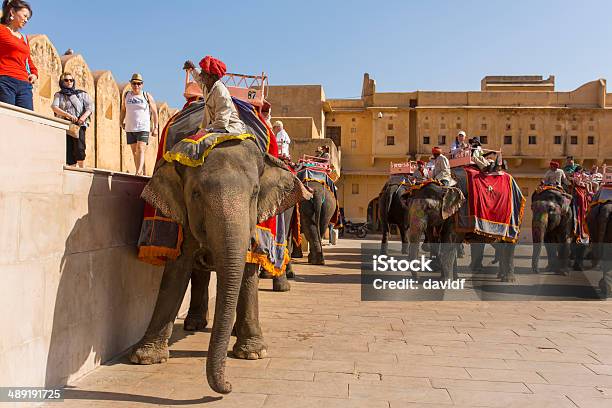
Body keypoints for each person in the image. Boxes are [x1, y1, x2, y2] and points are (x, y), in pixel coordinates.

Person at [184, 56, 246, 134]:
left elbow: (222, 122)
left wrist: (205, 130)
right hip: (216, 126)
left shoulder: (221, 92)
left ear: (211, 77)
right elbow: (198, 78)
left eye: (203, 73)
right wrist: (193, 68)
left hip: (228, 127)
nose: (200, 75)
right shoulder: (206, 86)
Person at [0, 0, 37, 110]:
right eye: (25, 16)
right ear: (12, 12)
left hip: (24, 84)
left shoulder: (24, 38)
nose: (26, 20)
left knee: (27, 120)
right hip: (5, 81)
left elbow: (27, 59)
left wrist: (34, 73)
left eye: (28, 18)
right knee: (7, 118)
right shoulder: (1, 30)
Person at [51, 73, 93, 168]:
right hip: (65, 124)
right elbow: (54, 107)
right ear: (62, 82)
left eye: (71, 80)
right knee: (68, 149)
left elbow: (90, 107)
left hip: (79, 124)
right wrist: (68, 115)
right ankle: (72, 169)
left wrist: (82, 118)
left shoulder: (81, 94)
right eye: (66, 80)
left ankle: (82, 169)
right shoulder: (59, 95)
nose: (69, 82)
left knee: (80, 148)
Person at [120, 73, 158, 176]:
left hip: (143, 127)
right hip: (130, 127)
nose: (136, 86)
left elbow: (154, 112)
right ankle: (139, 170)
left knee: (140, 148)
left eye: (138, 84)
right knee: (134, 151)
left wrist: (155, 127)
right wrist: (120, 121)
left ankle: (138, 171)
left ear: (142, 84)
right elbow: (123, 109)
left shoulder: (146, 95)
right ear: (131, 84)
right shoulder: (127, 95)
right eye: (134, 83)